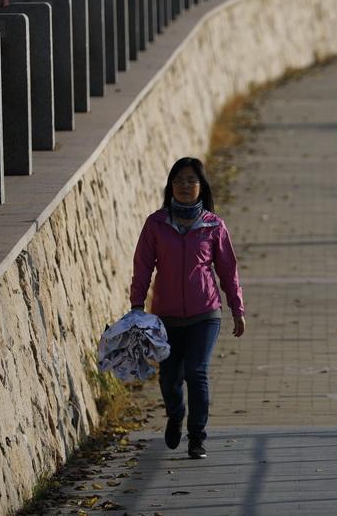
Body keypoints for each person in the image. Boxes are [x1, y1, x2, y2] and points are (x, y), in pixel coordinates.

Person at [130, 157, 246, 459]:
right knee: (169, 379)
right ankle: (176, 414)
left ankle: (197, 437)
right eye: (178, 180)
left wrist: (237, 308)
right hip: (166, 317)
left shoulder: (214, 225)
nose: (184, 185)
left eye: (191, 180)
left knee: (196, 372)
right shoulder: (156, 224)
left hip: (205, 313)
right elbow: (142, 267)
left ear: (201, 187)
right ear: (170, 186)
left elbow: (228, 271)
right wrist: (137, 305)